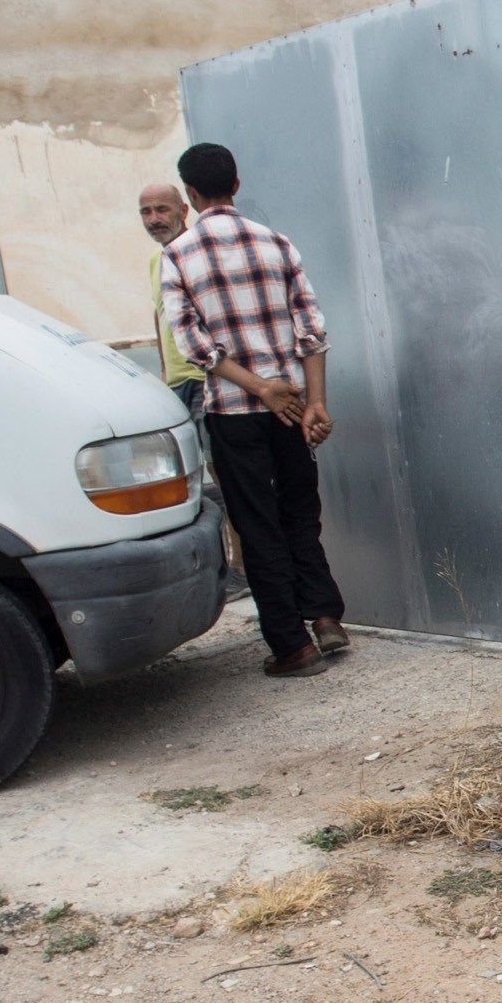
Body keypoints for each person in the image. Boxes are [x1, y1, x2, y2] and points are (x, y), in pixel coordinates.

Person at [162, 142, 349, 676]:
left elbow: (195, 346)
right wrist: (314, 403)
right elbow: (311, 331)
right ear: (236, 186)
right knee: (299, 515)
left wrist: (257, 388)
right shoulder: (276, 242)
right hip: (291, 407)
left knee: (258, 526)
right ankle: (326, 617)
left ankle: (292, 647)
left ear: (191, 195)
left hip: (234, 412)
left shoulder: (179, 255)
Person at [137, 180, 205, 417]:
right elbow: (160, 312)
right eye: (146, 212)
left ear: (184, 211)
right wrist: (165, 370)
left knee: (209, 453)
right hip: (176, 383)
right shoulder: (157, 259)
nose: (153, 219)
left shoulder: (199, 252)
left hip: (204, 377)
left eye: (162, 209)